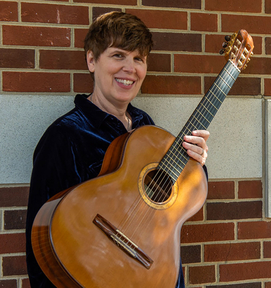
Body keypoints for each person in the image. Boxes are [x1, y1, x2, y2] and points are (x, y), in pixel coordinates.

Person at [25, 11, 209, 288]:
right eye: (118, 55)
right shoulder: (64, 136)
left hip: (151, 273)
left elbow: (173, 199)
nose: (130, 68)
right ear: (91, 60)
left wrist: (196, 163)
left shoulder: (146, 126)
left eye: (138, 59)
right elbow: (40, 249)